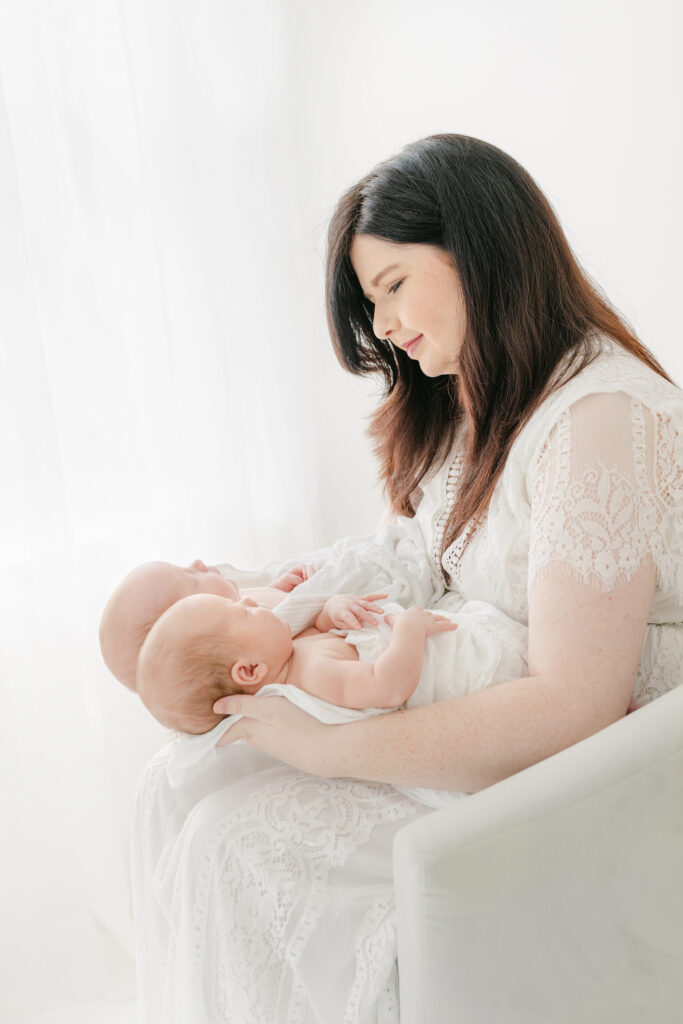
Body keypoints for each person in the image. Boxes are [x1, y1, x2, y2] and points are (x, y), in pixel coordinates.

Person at [132, 134, 683, 1024]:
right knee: (188, 782)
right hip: (472, 686)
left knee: (237, 839)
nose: (382, 327)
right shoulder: (475, 397)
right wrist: (267, 602)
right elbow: (411, 559)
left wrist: (325, 747)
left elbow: (575, 702)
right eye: (369, 302)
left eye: (390, 287)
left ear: (481, 252)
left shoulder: (598, 420)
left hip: (599, 769)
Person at [135, 589, 529, 735]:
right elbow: (386, 686)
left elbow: (326, 631)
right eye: (244, 614)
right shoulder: (313, 677)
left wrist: (334, 608)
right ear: (250, 670)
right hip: (475, 672)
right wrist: (410, 629)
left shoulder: (289, 650)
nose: (251, 601)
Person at [99, 558, 314, 690]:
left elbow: (260, 605)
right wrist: (305, 596)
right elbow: (304, 619)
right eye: (194, 578)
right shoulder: (258, 644)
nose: (198, 563)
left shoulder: (239, 604)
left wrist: (276, 589)